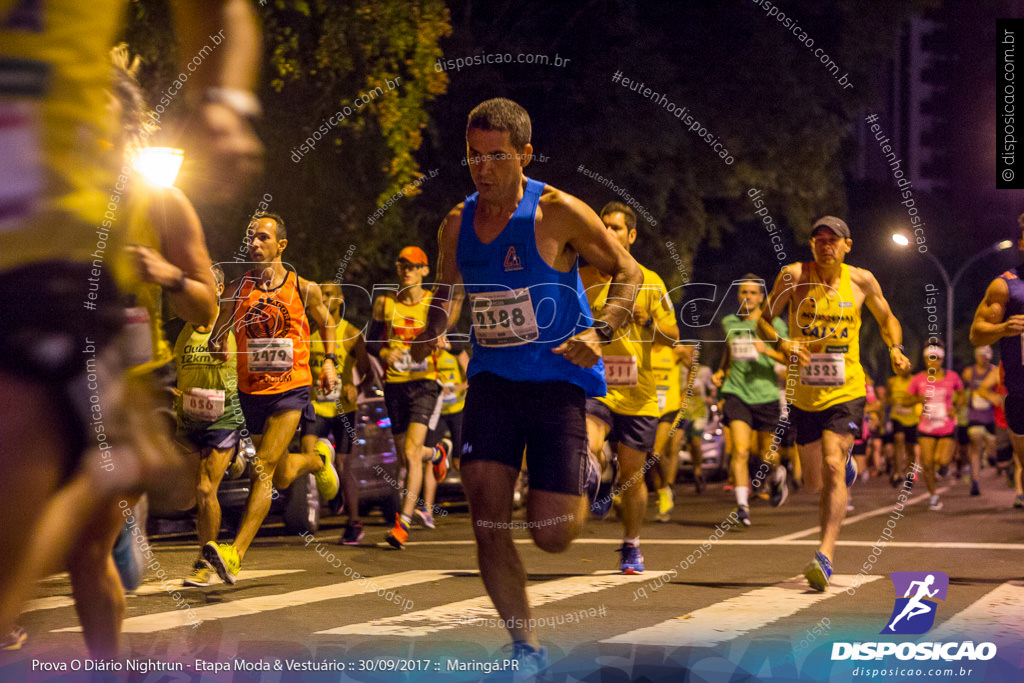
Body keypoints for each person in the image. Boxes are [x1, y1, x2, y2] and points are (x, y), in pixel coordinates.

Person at [0, 0, 262, 648]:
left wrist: (165, 274)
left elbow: (206, 304)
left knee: (87, 550)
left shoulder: (159, 202)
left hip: (131, 369)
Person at [409, 98, 641, 669]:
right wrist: (431, 329)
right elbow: (450, 290)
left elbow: (628, 273)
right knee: (487, 519)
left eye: (497, 156)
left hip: (557, 379)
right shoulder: (457, 223)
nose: (483, 168)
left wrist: (603, 329)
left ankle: (588, 465)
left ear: (525, 155)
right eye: (474, 157)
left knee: (553, 534)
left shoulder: (557, 213)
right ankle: (525, 647)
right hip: (492, 381)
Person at [758, 215, 910, 592]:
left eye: (833, 240)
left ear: (847, 245)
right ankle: (845, 466)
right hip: (805, 392)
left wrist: (895, 349)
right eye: (819, 239)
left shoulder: (861, 281)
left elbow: (887, 318)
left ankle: (824, 556)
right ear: (812, 245)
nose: (826, 245)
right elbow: (763, 321)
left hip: (846, 390)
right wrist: (783, 342)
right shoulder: (793, 276)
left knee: (830, 465)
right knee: (812, 482)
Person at [203, 213, 339, 585]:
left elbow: (328, 322)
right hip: (252, 393)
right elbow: (218, 335)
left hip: (292, 388)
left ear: (281, 245)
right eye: (251, 237)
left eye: (263, 237)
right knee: (277, 474)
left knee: (262, 466)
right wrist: (218, 347)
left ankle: (235, 554)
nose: (254, 244)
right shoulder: (235, 289)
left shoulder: (302, 287)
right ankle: (316, 459)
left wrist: (329, 362)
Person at [581, 201, 678, 573]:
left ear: (631, 235)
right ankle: (596, 471)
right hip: (599, 383)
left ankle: (631, 544)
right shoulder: (585, 279)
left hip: (638, 391)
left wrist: (651, 321)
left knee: (632, 477)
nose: (608, 233)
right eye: (603, 226)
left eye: (616, 228)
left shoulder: (651, 282)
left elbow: (673, 335)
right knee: (590, 443)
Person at [368, 246, 451, 549]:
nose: (406, 270)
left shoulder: (433, 303)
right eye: (402, 264)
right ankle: (439, 454)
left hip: (425, 383)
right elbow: (370, 342)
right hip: (395, 386)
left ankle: (402, 523)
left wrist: (439, 342)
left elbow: (447, 337)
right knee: (407, 456)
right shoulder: (384, 303)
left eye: (413, 266)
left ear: (424, 271)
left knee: (412, 453)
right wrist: (386, 350)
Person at [175, 264, 246, 586]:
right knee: (193, 494)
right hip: (191, 417)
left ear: (219, 290)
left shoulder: (230, 326)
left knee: (206, 488)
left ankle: (204, 561)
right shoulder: (184, 330)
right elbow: (181, 373)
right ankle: (237, 459)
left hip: (224, 416)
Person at [713, 275, 789, 527]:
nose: (747, 297)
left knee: (768, 457)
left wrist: (766, 349)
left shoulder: (774, 324)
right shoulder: (729, 322)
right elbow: (729, 350)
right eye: (743, 292)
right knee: (741, 450)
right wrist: (721, 371)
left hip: (766, 394)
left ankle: (777, 476)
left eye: (753, 293)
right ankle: (742, 506)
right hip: (736, 393)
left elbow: (790, 359)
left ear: (761, 298)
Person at [970, 217, 1024, 512]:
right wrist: (1003, 329)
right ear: (1022, 242)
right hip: (1020, 391)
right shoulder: (1005, 286)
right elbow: (976, 334)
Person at [907, 343, 962, 511]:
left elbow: (961, 395)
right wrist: (918, 399)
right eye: (930, 359)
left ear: (942, 359)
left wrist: (956, 407)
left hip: (946, 426)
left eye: (936, 359)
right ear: (925, 360)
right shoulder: (918, 379)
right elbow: (905, 400)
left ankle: (945, 467)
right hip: (926, 427)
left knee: (942, 460)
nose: (933, 362)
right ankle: (933, 496)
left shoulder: (952, 377)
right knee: (928, 463)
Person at [421, 341, 470, 529]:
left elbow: (471, 379)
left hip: (458, 411)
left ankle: (476, 506)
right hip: (437, 413)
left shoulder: (455, 353)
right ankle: (427, 511)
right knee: (431, 460)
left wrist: (456, 388)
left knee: (460, 463)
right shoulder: (426, 358)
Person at [649, 343, 693, 522]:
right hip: (647, 406)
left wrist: (685, 393)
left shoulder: (675, 351)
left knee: (657, 453)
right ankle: (661, 494)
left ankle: (666, 489)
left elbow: (693, 367)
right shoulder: (641, 347)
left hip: (669, 406)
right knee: (646, 456)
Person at [962, 345, 998, 496]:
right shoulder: (969, 372)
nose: (984, 358)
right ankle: (975, 482)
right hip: (975, 415)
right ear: (976, 356)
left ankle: (992, 456)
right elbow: (963, 392)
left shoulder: (995, 371)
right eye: (981, 355)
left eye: (987, 355)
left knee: (992, 445)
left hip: (992, 416)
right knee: (975, 444)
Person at [887, 364, 921, 487]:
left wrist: (912, 400)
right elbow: (887, 398)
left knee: (910, 448)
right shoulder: (892, 382)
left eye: (907, 367)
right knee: (898, 440)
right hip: (897, 417)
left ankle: (909, 473)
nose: (904, 369)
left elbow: (920, 396)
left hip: (912, 419)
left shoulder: (915, 381)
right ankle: (898, 473)